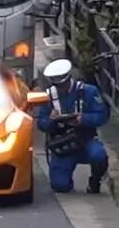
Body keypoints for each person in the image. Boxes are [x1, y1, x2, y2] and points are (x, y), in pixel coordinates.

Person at [36, 59, 110, 193]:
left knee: (99, 156)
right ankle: (64, 177)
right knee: (60, 186)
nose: (61, 88)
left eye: (63, 84)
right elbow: (41, 123)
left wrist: (84, 119)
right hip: (62, 144)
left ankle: (96, 179)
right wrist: (51, 120)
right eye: (57, 85)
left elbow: (102, 116)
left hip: (86, 139)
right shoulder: (48, 97)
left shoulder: (89, 91)